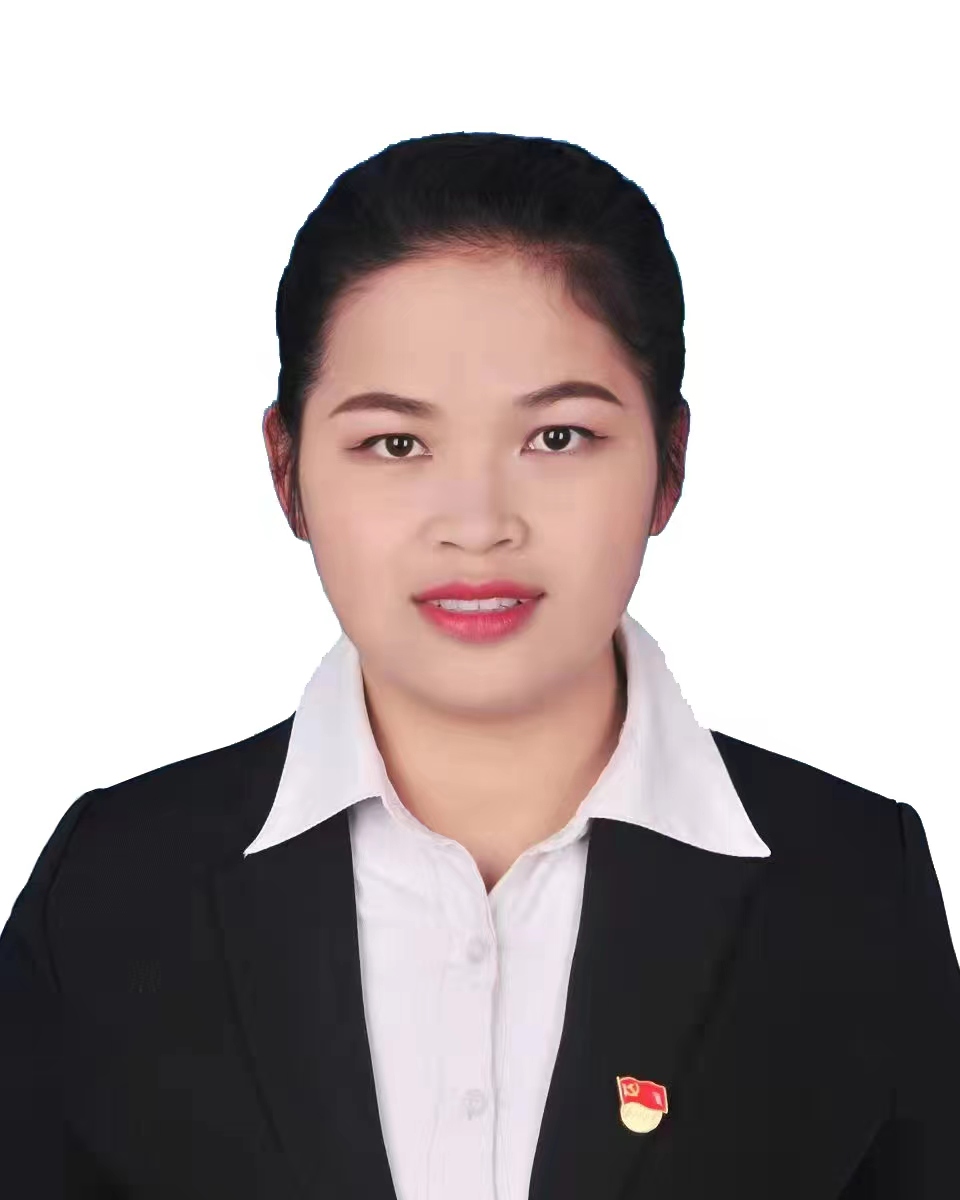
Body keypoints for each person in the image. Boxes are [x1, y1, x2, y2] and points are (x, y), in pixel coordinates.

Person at [1, 131, 957, 1200]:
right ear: (286, 470)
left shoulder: (854, 887)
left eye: (557, 438)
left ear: (670, 463)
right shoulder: (111, 889)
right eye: (395, 444)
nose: (478, 524)